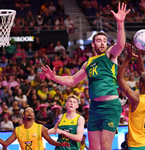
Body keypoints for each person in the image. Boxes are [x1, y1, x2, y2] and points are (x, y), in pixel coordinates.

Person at [41, 3, 130, 150]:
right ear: (93, 44)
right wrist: (53, 77)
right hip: (95, 107)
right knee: (94, 147)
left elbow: (120, 44)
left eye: (104, 40)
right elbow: (72, 80)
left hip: (110, 106)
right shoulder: (87, 63)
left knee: (105, 145)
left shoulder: (110, 55)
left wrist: (120, 23)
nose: (102, 43)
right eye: (98, 40)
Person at [117, 43, 145, 150]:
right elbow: (142, 72)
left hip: (137, 147)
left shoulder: (136, 100)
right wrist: (139, 54)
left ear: (140, 84)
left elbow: (120, 79)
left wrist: (128, 58)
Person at [0, 107, 70, 150]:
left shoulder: (40, 128)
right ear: (23, 115)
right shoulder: (18, 130)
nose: (30, 113)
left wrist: (60, 144)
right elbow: (5, 144)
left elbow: (51, 141)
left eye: (32, 112)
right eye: (27, 111)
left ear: (34, 116)